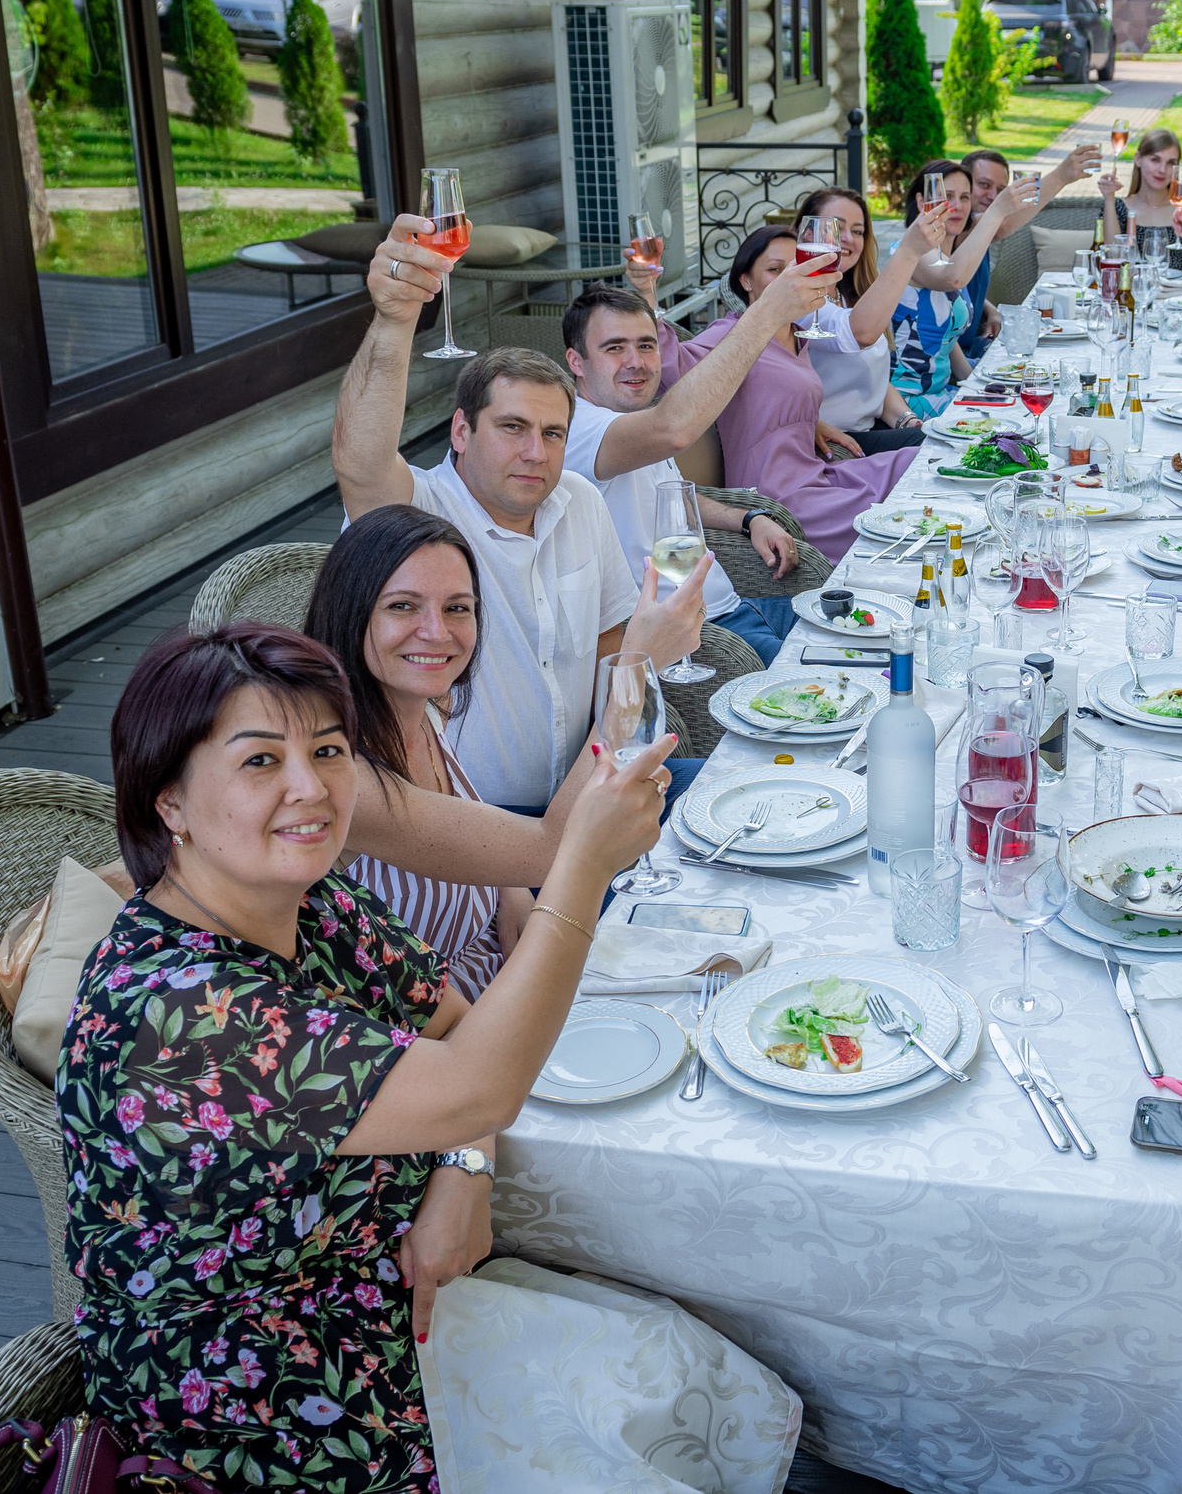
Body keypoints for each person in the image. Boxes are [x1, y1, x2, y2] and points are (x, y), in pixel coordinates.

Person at [58, 622, 724, 1490]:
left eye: (328, 750)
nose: (310, 787)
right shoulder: (181, 1019)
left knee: (685, 1361)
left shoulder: (311, 898)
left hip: (395, 1305)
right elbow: (477, 1082)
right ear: (169, 801)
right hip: (268, 1418)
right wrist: (582, 871)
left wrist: (463, 1168)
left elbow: (454, 1027)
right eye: (260, 761)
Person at [333, 216, 707, 811]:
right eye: (513, 428)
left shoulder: (579, 500)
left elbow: (612, 637)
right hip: (485, 834)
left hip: (593, 781)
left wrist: (626, 730)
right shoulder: (416, 515)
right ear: (461, 430)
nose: (536, 452)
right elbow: (360, 460)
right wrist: (395, 319)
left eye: (553, 433)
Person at [304, 504, 607, 998]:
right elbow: (551, 852)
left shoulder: (426, 702)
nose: (437, 632)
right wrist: (634, 681)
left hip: (503, 975)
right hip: (443, 1036)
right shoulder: (341, 776)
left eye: (456, 607)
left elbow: (469, 827)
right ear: (351, 611)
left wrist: (504, 888)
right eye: (403, 605)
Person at [557, 276, 835, 667]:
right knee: (845, 678)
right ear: (576, 362)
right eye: (614, 348)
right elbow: (673, 430)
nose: (635, 361)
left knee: (871, 627)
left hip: (743, 606)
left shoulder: (633, 416)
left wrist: (748, 519)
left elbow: (667, 492)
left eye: (646, 345)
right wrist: (766, 312)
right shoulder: (581, 429)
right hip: (702, 637)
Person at [666, 226, 922, 562]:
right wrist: (647, 290)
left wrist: (812, 419)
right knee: (896, 521)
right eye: (775, 270)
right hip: (778, 496)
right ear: (746, 281)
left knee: (919, 461)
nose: (789, 278)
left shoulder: (800, 335)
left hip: (817, 473)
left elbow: (778, 391)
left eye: (795, 267)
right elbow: (670, 366)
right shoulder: (730, 334)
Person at [890, 158, 1037, 417]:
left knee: (1026, 394)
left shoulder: (947, 258)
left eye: (965, 197)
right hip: (909, 402)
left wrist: (979, 385)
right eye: (947, 196)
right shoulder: (911, 253)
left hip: (943, 392)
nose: (957, 206)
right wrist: (997, 210)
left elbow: (947, 338)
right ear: (923, 202)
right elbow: (953, 278)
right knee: (1014, 417)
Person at [790, 186, 928, 454]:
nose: (847, 239)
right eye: (835, 228)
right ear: (805, 233)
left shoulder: (850, 294)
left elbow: (873, 377)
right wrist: (909, 251)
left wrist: (906, 419)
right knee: (935, 447)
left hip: (871, 427)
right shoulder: (799, 297)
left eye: (857, 231)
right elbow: (859, 334)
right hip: (832, 440)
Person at [957, 142, 1100, 366]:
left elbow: (951, 289)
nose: (992, 195)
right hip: (955, 359)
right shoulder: (955, 229)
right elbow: (1001, 226)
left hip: (976, 344)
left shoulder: (978, 230)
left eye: (1001, 190)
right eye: (984, 185)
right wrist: (1062, 175)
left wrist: (989, 308)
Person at [1097, 127, 1182, 268]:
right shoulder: (1118, 208)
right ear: (1138, 159)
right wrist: (1109, 198)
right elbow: (1112, 259)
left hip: (1181, 289)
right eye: (1155, 160)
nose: (1162, 169)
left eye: (1171, 163)